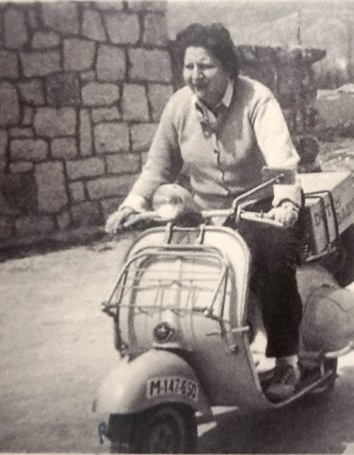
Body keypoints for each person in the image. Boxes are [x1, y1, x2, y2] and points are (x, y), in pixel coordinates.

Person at [105, 23, 303, 401]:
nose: (195, 76)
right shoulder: (179, 105)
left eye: (205, 66)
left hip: (260, 206)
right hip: (206, 211)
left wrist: (286, 204)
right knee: (168, 263)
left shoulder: (257, 99)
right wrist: (131, 205)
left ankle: (286, 359)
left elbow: (280, 159)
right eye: (188, 66)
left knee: (274, 260)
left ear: (228, 67)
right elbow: (158, 166)